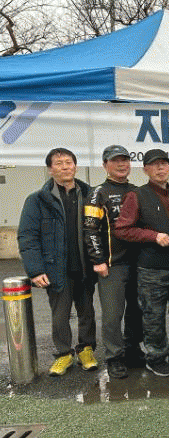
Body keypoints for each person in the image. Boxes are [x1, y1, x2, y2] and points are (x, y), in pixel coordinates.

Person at [113, 149, 169, 377]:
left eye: (164, 164)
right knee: (153, 315)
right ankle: (156, 357)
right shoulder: (137, 195)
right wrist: (153, 236)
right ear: (145, 169)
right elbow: (122, 229)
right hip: (152, 268)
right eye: (155, 165)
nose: (160, 168)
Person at [17, 148, 97, 376]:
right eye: (59, 163)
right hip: (55, 268)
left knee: (87, 312)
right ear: (50, 169)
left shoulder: (90, 195)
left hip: (85, 266)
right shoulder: (37, 200)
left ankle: (86, 350)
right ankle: (63, 354)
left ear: (75, 166)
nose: (65, 167)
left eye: (69, 162)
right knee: (60, 316)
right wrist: (35, 270)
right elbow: (27, 236)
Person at [83, 145, 145, 379]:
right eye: (115, 160)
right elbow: (89, 230)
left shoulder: (138, 191)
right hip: (112, 265)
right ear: (105, 165)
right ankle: (114, 357)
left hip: (138, 263)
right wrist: (98, 259)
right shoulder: (97, 193)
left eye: (125, 160)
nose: (122, 164)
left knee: (136, 311)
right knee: (112, 316)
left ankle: (132, 349)